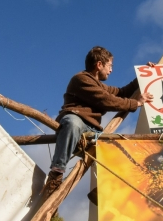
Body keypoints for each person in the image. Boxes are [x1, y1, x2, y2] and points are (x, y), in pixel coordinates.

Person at [43, 46, 153, 195]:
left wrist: (143, 75)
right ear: (99, 64)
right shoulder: (81, 79)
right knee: (72, 123)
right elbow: (106, 100)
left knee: (118, 149)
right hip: (76, 120)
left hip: (93, 129)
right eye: (110, 66)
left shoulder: (100, 85)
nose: (111, 70)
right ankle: (56, 174)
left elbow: (122, 92)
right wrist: (136, 103)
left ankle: (104, 190)